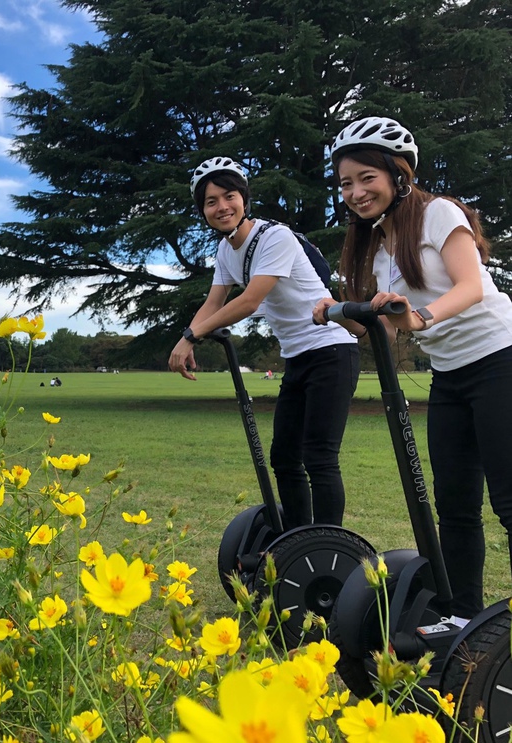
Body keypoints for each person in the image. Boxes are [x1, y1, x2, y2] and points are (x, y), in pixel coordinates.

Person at [314, 116, 512, 620]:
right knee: (456, 507)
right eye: (345, 183)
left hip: (500, 361)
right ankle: (462, 618)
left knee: (509, 502)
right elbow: (388, 329)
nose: (355, 193)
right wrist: (342, 313)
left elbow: (470, 286)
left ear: (399, 174)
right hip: (450, 376)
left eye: (366, 178)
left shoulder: (440, 214)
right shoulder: (380, 250)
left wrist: (418, 315)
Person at [170, 157, 360, 529]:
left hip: (332, 350)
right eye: (211, 201)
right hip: (297, 357)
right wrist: (185, 340)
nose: (222, 207)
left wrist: (193, 335)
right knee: (285, 458)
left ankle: (328, 544)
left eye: (229, 196)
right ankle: (298, 538)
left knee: (319, 456)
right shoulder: (226, 250)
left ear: (244, 199)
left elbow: (249, 301)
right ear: (203, 210)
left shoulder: (274, 237)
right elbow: (214, 302)